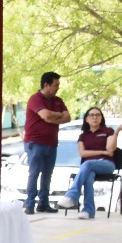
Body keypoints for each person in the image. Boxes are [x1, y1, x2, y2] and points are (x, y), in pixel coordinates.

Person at [58, 106, 119, 218]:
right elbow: (83, 153)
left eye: (97, 115)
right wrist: (102, 152)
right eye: (91, 115)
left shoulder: (108, 131)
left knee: (87, 164)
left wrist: (117, 133)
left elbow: (110, 150)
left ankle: (72, 195)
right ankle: (88, 210)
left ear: (101, 118)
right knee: (88, 175)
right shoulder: (83, 136)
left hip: (106, 164)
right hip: (88, 167)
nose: (94, 117)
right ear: (86, 119)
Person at [23, 71, 71, 214]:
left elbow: (67, 117)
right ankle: (30, 203)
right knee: (34, 173)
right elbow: (45, 115)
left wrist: (51, 116)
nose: (58, 88)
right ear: (46, 85)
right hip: (35, 142)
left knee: (47, 174)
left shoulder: (58, 101)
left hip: (51, 143)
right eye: (55, 85)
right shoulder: (35, 99)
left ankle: (43, 203)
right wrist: (56, 115)